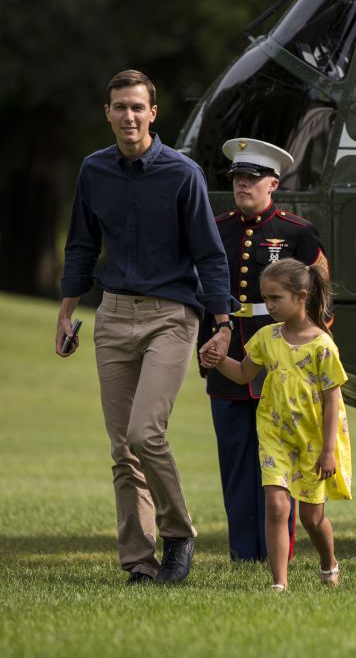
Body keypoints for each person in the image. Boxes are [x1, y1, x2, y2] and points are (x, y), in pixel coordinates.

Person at [56, 69, 238, 585]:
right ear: (108, 113)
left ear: (153, 113)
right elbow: (81, 245)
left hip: (172, 316)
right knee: (121, 447)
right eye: (120, 107)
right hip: (112, 314)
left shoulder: (183, 174)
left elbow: (208, 253)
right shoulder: (93, 171)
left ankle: (178, 533)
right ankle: (139, 562)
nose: (129, 116)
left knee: (144, 432)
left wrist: (221, 322)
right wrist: (67, 310)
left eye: (138, 107)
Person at [198, 137, 331, 562]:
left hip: (282, 361)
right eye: (237, 177)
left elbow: (322, 296)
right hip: (227, 353)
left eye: (252, 178)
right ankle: (243, 553)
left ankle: (279, 554)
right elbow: (204, 286)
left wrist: (313, 349)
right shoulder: (216, 228)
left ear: (273, 183)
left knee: (279, 464)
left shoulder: (297, 232)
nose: (242, 185)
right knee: (235, 461)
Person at [200, 258, 350, 591]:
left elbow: (332, 402)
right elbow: (242, 374)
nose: (268, 305)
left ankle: (329, 562)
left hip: (313, 440)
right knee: (277, 504)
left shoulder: (323, 346)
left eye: (275, 298)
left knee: (311, 518)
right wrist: (217, 360)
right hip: (274, 434)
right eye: (265, 298)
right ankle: (279, 584)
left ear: (300, 296)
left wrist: (328, 451)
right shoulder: (267, 337)